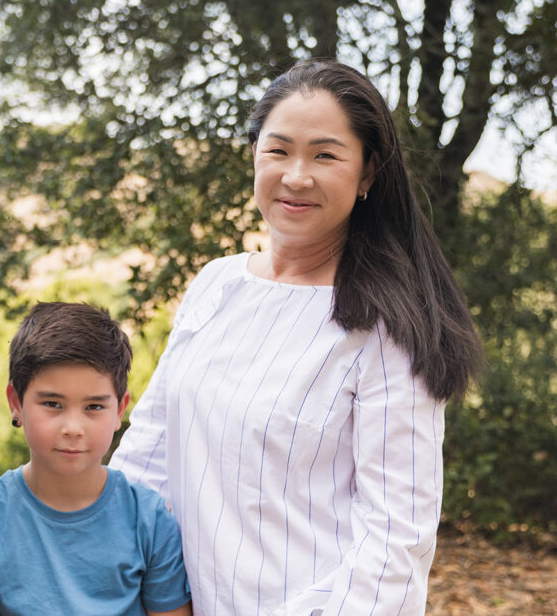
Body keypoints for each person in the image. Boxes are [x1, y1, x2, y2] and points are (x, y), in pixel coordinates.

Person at [110, 59, 482, 615]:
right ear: (255, 155)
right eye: (278, 150)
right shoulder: (217, 284)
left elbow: (394, 542)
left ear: (368, 174)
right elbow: (146, 458)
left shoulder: (388, 327)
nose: (297, 175)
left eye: (326, 155)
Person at [0, 302, 192, 616]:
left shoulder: (149, 520)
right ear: (16, 403)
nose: (73, 429)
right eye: (52, 403)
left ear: (120, 410)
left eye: (94, 407)